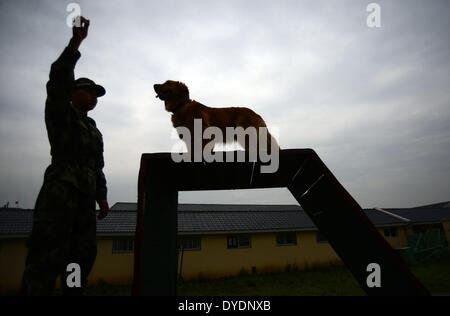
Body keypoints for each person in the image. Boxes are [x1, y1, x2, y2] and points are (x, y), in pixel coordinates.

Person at [20, 16, 109, 296]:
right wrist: (75, 43)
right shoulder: (61, 112)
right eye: (89, 90)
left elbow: (97, 166)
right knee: (46, 258)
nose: (94, 96)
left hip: (85, 202)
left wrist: (102, 196)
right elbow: (57, 79)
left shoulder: (93, 129)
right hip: (60, 195)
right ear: (73, 93)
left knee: (78, 261)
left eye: (97, 94)